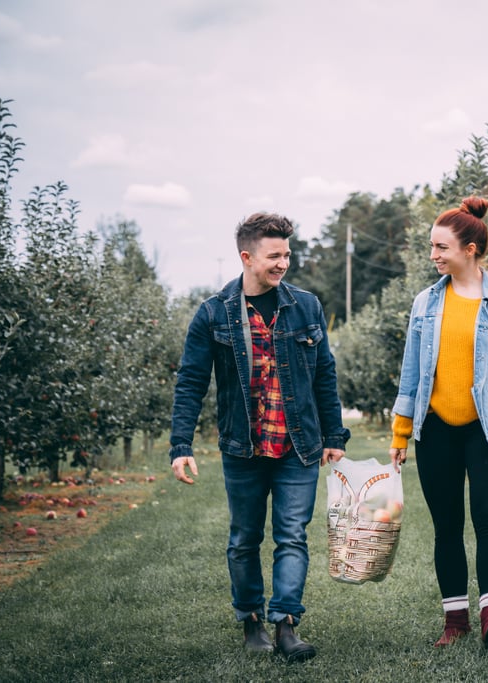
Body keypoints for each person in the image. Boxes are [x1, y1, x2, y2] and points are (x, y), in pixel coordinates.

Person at [169, 212, 350, 663]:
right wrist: (181, 445)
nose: (284, 262)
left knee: (292, 536)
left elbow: (324, 375)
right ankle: (251, 620)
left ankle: (286, 623)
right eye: (274, 255)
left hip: (298, 444)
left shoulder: (306, 306)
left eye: (288, 254)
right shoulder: (213, 314)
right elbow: (191, 381)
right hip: (243, 445)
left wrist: (335, 434)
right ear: (247, 257)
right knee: (244, 539)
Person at [388, 196, 488, 650]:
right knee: (446, 526)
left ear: (469, 249)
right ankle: (456, 621)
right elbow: (411, 371)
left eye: (440, 247)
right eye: (432, 247)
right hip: (436, 430)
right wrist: (401, 430)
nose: (433, 255)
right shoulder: (425, 304)